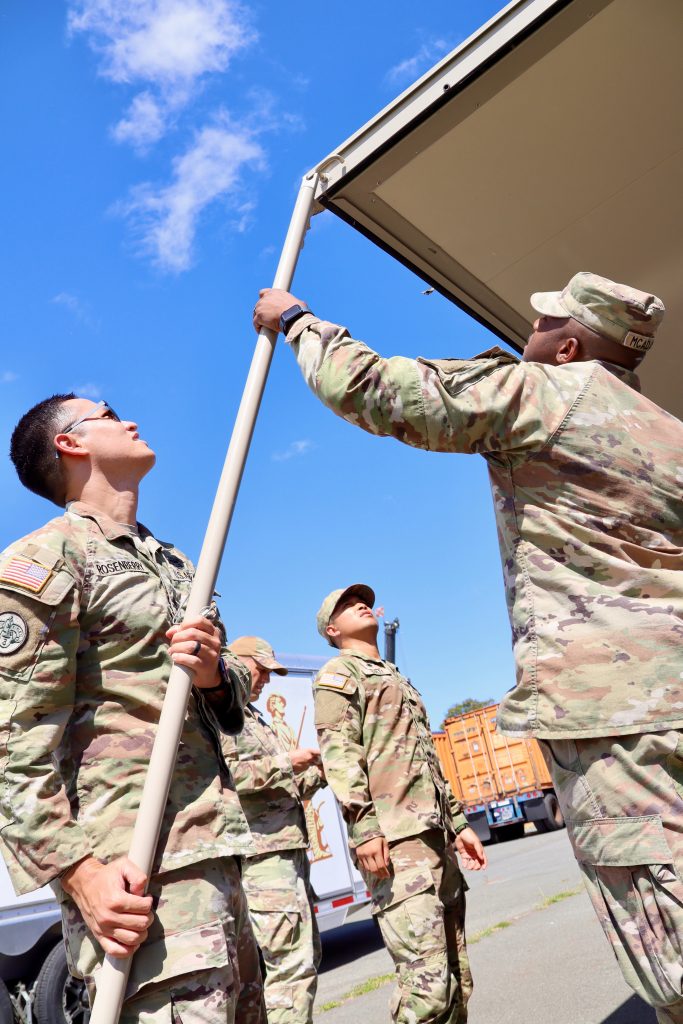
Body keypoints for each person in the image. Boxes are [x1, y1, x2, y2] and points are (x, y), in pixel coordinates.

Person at [253, 273, 683, 1024]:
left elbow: (379, 392)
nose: (531, 329)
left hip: (616, 716)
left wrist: (296, 321)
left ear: (570, 346)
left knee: (663, 923)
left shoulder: (549, 392)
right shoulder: (663, 430)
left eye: (544, 321)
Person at [0, 395, 265, 1023]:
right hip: (134, 865)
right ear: (70, 444)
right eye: (109, 413)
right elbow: (14, 736)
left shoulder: (173, 564)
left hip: (218, 846)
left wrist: (213, 677)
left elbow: (229, 707)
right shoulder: (44, 559)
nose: (132, 420)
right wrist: (78, 873)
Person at [312, 582, 487, 1024]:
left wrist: (460, 823)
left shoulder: (395, 678)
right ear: (332, 629)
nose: (362, 605)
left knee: (455, 980)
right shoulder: (339, 675)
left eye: (366, 601)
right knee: (425, 990)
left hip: (435, 837)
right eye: (350, 605)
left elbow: (426, 757)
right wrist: (363, 826)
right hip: (397, 842)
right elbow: (340, 754)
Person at [221, 636, 324, 1024]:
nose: (266, 680)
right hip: (263, 858)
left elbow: (283, 791)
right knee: (289, 970)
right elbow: (228, 780)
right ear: (236, 662)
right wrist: (287, 762)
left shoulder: (253, 719)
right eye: (261, 670)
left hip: (287, 853)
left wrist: (320, 772)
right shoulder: (223, 716)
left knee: (302, 960)